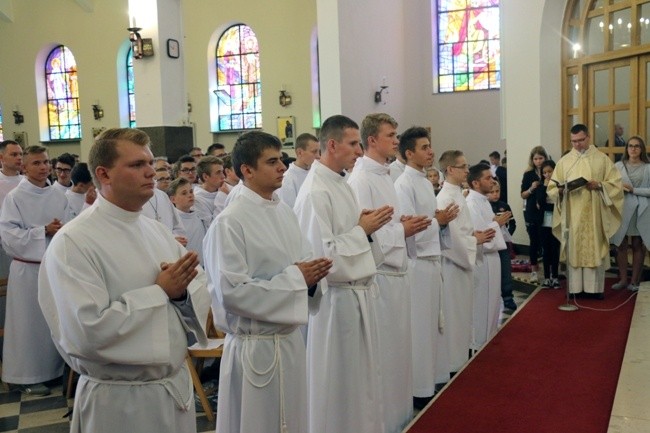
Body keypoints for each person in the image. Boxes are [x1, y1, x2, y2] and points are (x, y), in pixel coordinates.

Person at [38, 128, 210, 433]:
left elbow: (198, 289)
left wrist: (181, 295)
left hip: (171, 390)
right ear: (104, 174)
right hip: (119, 402)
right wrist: (160, 292)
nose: (150, 173)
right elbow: (87, 330)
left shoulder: (155, 231)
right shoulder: (74, 241)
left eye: (149, 163)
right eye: (136, 165)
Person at [204, 131, 332, 433]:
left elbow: (305, 263)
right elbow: (232, 293)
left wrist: (313, 279)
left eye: (282, 160)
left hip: (289, 342)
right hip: (254, 349)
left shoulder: (285, 213)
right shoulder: (229, 222)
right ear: (246, 170)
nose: (282, 168)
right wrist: (298, 278)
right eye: (272, 162)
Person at [293, 114, 391, 433]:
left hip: (357, 297)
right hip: (336, 304)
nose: (359, 152)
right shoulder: (315, 192)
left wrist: (365, 228)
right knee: (341, 388)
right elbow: (321, 258)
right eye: (353, 144)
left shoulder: (340, 183)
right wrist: (362, 230)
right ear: (332, 145)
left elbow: (348, 235)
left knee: (361, 384)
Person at [348, 114, 431, 433]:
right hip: (381, 278)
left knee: (400, 356)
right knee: (385, 359)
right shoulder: (361, 179)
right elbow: (364, 232)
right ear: (373, 140)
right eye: (391, 135)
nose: (397, 140)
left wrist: (404, 227)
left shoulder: (384, 174)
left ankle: (401, 418)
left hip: (398, 275)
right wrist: (403, 230)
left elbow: (389, 224)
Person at [393, 126, 458, 409]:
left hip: (433, 261)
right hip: (417, 264)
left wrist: (439, 221)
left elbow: (428, 219)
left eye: (430, 146)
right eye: (424, 147)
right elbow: (409, 228)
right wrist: (439, 221)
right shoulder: (404, 184)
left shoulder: (425, 181)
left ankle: (434, 375)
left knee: (434, 324)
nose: (430, 151)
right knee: (420, 327)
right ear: (409, 153)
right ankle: (419, 387)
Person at [0, 145, 72, 395]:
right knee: (29, 324)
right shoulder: (15, 198)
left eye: (46, 162)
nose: (43, 167)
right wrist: (42, 231)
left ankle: (52, 371)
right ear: (24, 167)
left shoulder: (58, 195)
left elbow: (71, 226)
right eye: (36, 163)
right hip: (27, 270)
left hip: (53, 267)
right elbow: (9, 236)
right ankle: (27, 376)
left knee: (51, 320)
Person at [547, 124, 623, 299]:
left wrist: (600, 185)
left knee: (594, 246)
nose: (577, 145)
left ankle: (594, 290)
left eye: (581, 140)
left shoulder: (601, 159)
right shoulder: (565, 161)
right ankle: (575, 288)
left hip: (595, 214)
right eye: (574, 141)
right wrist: (559, 190)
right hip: (572, 214)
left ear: (588, 137)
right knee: (574, 247)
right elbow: (552, 187)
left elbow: (616, 184)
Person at [436, 150, 495, 373]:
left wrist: (473, 238)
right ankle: (452, 363)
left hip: (464, 262)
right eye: (463, 167)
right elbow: (449, 237)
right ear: (450, 169)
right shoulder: (445, 198)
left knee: (463, 313)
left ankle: (461, 357)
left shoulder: (459, 194)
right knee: (454, 315)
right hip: (453, 265)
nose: (467, 171)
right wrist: (474, 241)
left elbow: (463, 230)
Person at [466, 164, 508, 350]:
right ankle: (478, 342)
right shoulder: (471, 203)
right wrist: (496, 224)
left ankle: (489, 336)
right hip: (482, 259)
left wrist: (495, 224)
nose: (492, 180)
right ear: (475, 183)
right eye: (487, 178)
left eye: (493, 177)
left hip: (493, 258)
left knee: (493, 299)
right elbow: (480, 236)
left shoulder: (483, 201)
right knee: (481, 301)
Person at [610, 136, 650, 292]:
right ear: (626, 148)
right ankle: (623, 279)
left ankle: (634, 281)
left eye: (637, 146)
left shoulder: (648, 167)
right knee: (620, 244)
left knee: (637, 245)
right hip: (622, 208)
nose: (633, 149)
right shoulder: (618, 166)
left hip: (642, 210)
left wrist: (634, 190)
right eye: (631, 146)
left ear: (642, 149)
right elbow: (610, 185)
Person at [488, 180, 518, 310]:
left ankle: (507, 298)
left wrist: (507, 234)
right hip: (489, 242)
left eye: (497, 191)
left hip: (504, 243)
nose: (495, 194)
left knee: (506, 270)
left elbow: (513, 223)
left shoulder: (504, 205)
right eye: (492, 192)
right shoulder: (485, 206)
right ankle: (491, 298)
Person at [520, 146, 548, 283]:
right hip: (532, 211)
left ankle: (550, 272)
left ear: (545, 158)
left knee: (547, 241)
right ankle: (533, 270)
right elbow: (523, 194)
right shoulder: (528, 174)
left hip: (546, 210)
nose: (538, 161)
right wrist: (531, 188)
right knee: (534, 241)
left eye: (540, 158)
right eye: (535, 158)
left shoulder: (549, 172)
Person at [167, 178, 208, 266]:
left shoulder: (200, 215)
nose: (190, 195)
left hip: (204, 264)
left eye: (191, 191)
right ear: (173, 199)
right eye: (184, 193)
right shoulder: (171, 220)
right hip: (185, 267)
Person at [536, 160, 561, 289]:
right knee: (546, 249)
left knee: (555, 249)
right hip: (544, 220)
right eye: (544, 172)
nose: (547, 174)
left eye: (549, 171)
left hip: (556, 219)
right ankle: (546, 277)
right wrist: (545, 186)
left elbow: (558, 202)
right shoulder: (541, 186)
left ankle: (555, 276)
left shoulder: (559, 185)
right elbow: (540, 202)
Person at [277, 133, 320, 208]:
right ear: (299, 152)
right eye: (314, 152)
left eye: (318, 152)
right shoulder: (288, 180)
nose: (318, 156)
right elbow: (289, 210)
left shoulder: (316, 172)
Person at [193, 155, 225, 224]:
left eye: (222, 172)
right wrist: (222, 196)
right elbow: (212, 226)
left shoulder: (225, 190)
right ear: (205, 177)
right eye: (218, 173)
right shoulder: (197, 200)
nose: (223, 176)